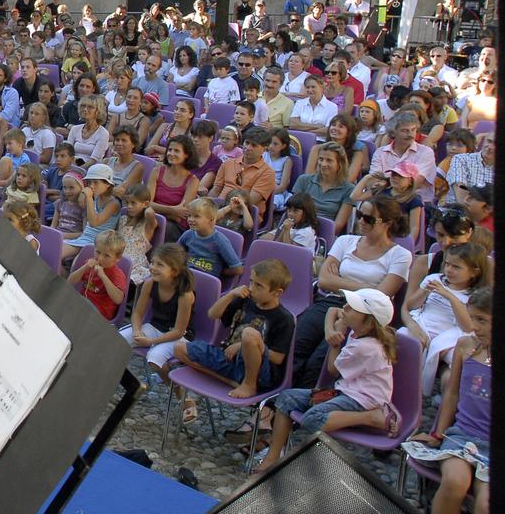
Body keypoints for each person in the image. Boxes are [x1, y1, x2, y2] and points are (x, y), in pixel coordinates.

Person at [255, 288, 399, 474]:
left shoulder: (366, 348)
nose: (344, 308)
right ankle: (273, 457)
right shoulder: (361, 332)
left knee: (312, 419)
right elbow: (332, 311)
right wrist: (331, 330)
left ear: (369, 322)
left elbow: (332, 369)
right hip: (346, 391)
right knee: (286, 399)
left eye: (352, 308)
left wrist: (335, 342)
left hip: (363, 400)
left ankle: (372, 418)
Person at [290, 196, 411, 387]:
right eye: (360, 215)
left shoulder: (400, 255)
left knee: (319, 361)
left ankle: (304, 399)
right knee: (297, 343)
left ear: (387, 223)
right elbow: (324, 279)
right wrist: (368, 287)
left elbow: (381, 296)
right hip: (332, 301)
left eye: (369, 219)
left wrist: (339, 281)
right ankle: (282, 396)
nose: (361, 221)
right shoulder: (346, 241)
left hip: (363, 314)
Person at [403, 288, 492, 514]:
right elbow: (452, 393)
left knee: (486, 503)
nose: (474, 327)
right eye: (472, 318)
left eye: (482, 320)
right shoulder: (465, 346)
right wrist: (437, 433)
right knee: (455, 482)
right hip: (463, 434)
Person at [175, 259, 295, 401]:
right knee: (179, 349)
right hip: (228, 359)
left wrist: (242, 345)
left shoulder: (284, 318)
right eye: (251, 282)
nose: (251, 288)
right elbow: (213, 314)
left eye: (258, 285)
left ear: (277, 292)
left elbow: (278, 358)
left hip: (257, 372)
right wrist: (231, 294)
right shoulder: (245, 300)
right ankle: (230, 382)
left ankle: (249, 385)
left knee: (249, 334)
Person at [400, 243, 488, 396]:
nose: (449, 270)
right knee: (402, 339)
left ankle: (447, 395)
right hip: (424, 322)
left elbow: (467, 326)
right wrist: (424, 292)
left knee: (459, 359)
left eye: (456, 267)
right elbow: (411, 306)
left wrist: (450, 296)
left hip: (450, 332)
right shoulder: (434, 279)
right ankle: (403, 386)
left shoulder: (473, 295)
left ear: (474, 272)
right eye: (447, 264)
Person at [120, 243, 196, 391]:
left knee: (154, 359)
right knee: (118, 341)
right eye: (153, 262)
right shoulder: (150, 283)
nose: (153, 267)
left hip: (178, 336)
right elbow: (137, 313)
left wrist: (151, 341)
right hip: (155, 327)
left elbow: (179, 331)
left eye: (160, 265)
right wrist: (137, 330)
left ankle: (178, 391)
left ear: (174, 271)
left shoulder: (185, 295)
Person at [290, 142, 356, 234]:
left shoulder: (349, 189)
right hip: (296, 228)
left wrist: (310, 232)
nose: (323, 164)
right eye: (321, 159)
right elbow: (292, 211)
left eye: (329, 160)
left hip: (323, 234)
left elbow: (338, 226)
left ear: (340, 164)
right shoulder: (304, 180)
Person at [63, 163, 122, 260]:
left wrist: (89, 197)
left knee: (57, 253)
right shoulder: (97, 196)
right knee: (51, 251)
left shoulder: (114, 203)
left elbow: (94, 223)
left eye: (96, 182)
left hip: (97, 245)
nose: (91, 186)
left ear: (107, 184)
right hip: (83, 239)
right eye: (90, 182)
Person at [69, 230, 129, 321]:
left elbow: (118, 299)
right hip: (83, 302)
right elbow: (70, 281)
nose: (100, 258)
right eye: (98, 252)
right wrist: (85, 267)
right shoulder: (89, 264)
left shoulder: (117, 275)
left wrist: (103, 276)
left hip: (100, 313)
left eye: (107, 256)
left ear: (117, 258)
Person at [178, 198, 243, 281]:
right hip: (186, 276)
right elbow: (175, 252)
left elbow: (238, 269)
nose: (190, 219)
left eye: (196, 216)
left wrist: (220, 272)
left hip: (206, 281)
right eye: (189, 215)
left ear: (211, 219)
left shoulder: (220, 241)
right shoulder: (188, 234)